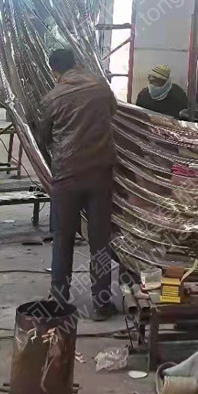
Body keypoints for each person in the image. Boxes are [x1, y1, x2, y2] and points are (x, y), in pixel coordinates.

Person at [37, 48, 118, 320]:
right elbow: (113, 112)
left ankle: (59, 300)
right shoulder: (100, 87)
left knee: (63, 239)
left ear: (54, 71)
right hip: (100, 173)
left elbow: (42, 137)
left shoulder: (52, 98)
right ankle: (102, 303)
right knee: (100, 241)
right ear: (76, 63)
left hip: (66, 176)